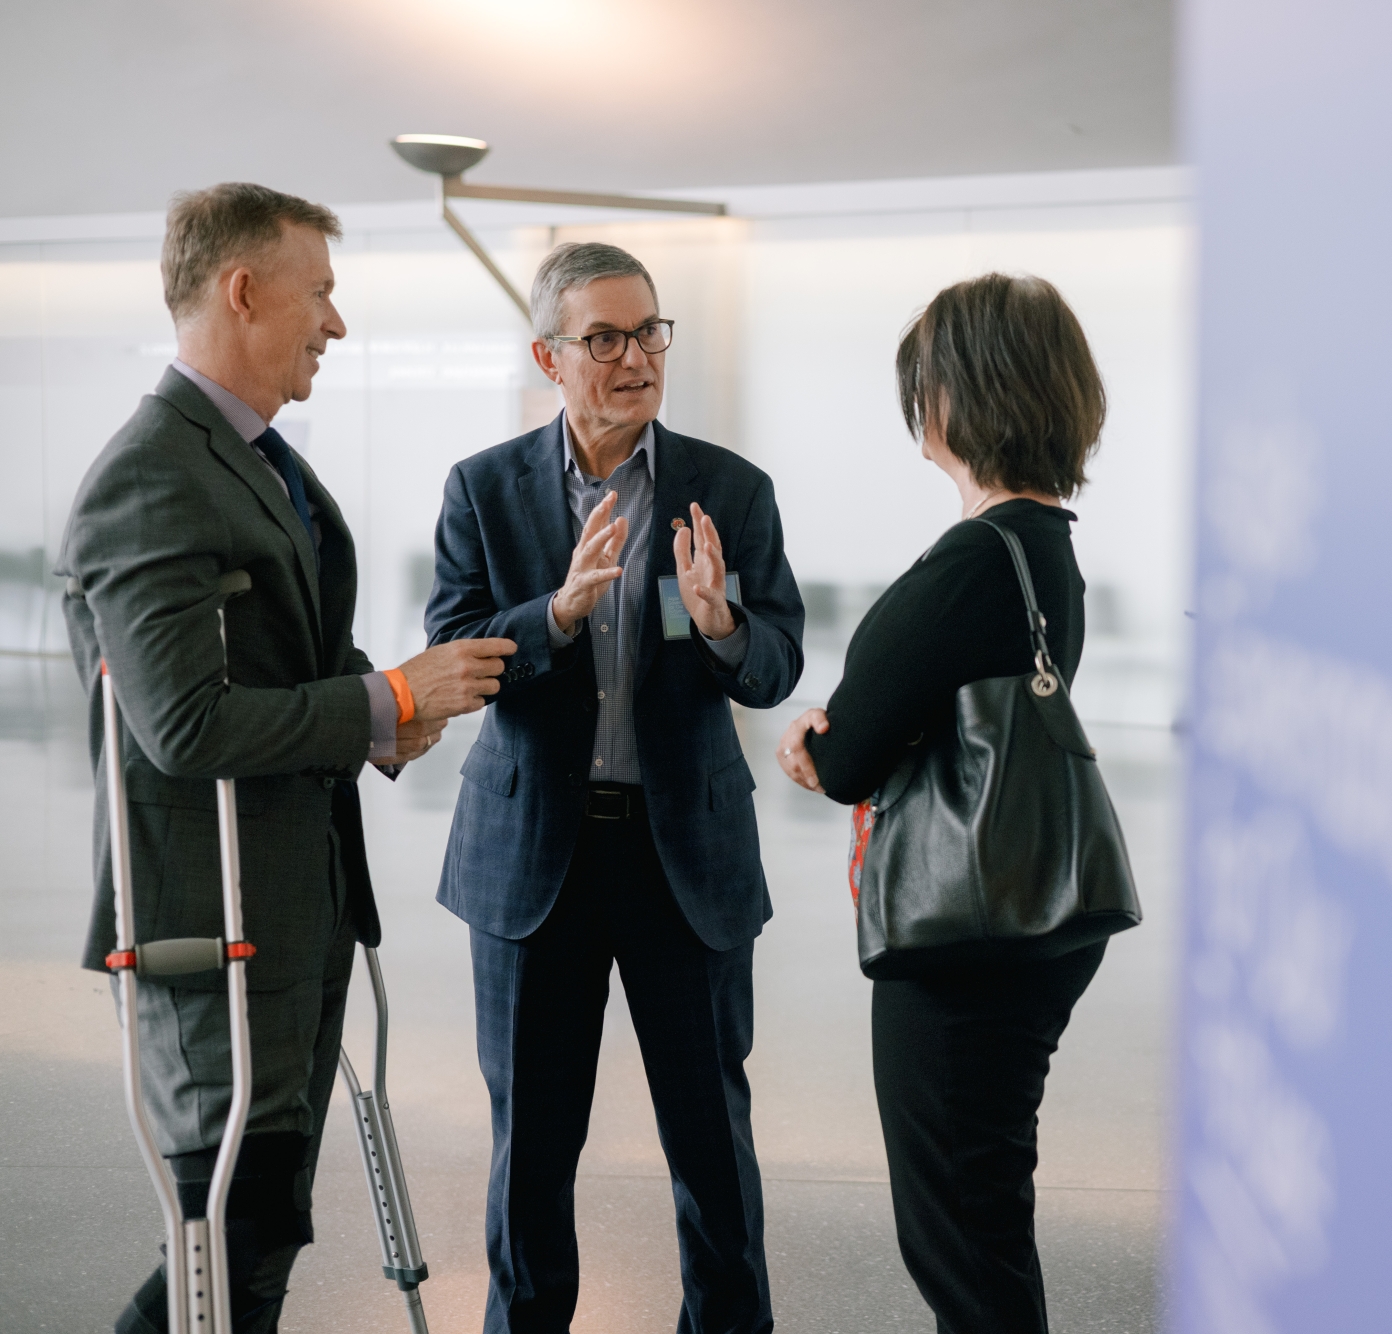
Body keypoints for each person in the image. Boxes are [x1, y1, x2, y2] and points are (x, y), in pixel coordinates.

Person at [55, 182, 514, 1334]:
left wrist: (386, 716)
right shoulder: (151, 474)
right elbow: (183, 723)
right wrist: (382, 696)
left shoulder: (254, 461)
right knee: (229, 1237)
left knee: (260, 1238)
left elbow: (287, 653)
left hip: (290, 909)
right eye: (321, 293)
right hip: (209, 923)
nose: (335, 323)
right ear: (243, 289)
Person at [426, 241, 805, 1334]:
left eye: (649, 332)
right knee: (532, 1150)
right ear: (549, 356)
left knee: (711, 1146)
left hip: (681, 856)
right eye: (604, 338)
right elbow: (452, 647)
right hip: (534, 860)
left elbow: (776, 662)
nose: (636, 358)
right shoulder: (483, 489)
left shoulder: (729, 490)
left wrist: (723, 624)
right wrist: (554, 614)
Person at [775, 272, 1109, 1333]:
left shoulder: (976, 559)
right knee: (983, 1209)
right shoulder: (1047, 548)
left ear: (964, 395)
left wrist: (810, 742)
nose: (917, 406)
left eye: (923, 382)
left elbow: (849, 754)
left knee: (961, 1233)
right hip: (1025, 915)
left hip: (965, 937)